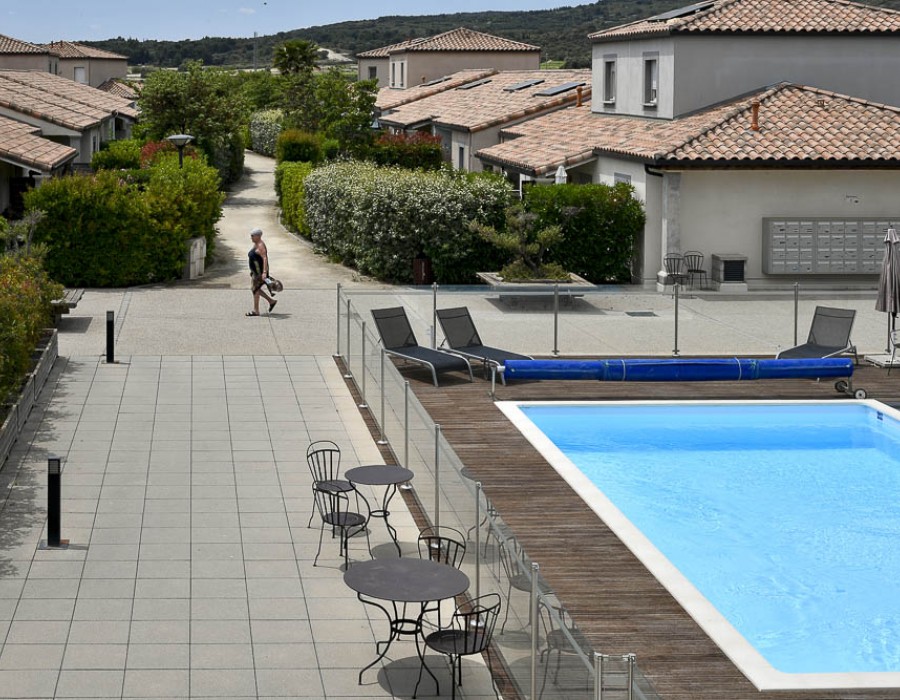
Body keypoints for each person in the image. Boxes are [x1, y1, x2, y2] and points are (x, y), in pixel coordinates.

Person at [247, 227, 277, 316]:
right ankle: (270, 301)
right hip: (255, 272)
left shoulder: (261, 245)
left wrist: (264, 272)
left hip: (260, 273)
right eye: (251, 236)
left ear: (258, 236)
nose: (251, 237)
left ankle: (256, 310)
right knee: (255, 289)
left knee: (255, 289)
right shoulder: (256, 243)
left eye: (253, 236)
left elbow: (265, 258)